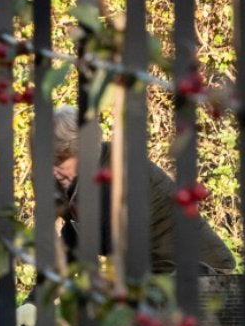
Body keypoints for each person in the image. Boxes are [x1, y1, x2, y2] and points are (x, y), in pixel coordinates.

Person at [49, 103, 233, 278]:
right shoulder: (84, 179)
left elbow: (111, 243)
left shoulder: (117, 174)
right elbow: (73, 240)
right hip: (160, 272)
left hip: (199, 272)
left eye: (59, 161)